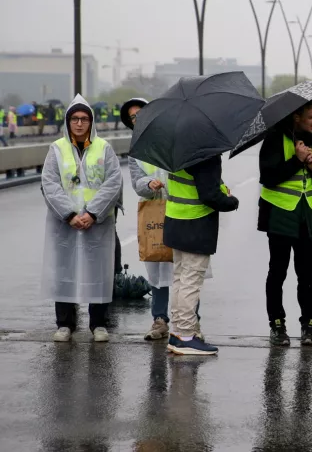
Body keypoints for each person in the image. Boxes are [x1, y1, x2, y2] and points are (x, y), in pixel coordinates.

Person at [41, 95, 123, 342]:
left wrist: (92, 213)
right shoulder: (56, 149)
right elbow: (49, 183)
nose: (79, 123)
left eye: (84, 119)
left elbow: (113, 182)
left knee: (98, 271)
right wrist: (69, 214)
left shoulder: (103, 148)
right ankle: (65, 324)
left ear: (91, 121)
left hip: (96, 223)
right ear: (68, 121)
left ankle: (98, 323)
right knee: (64, 270)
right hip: (65, 223)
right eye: (74, 119)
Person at [259, 101, 312, 347]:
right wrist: (296, 160)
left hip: (307, 218)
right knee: (277, 272)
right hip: (279, 217)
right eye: (311, 116)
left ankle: (308, 325)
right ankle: (277, 325)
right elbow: (268, 178)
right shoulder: (274, 141)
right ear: (296, 117)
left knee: (306, 275)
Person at [163, 152, 239, 355]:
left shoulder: (178, 149)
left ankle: (178, 332)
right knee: (191, 281)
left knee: (180, 279)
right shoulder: (206, 154)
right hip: (195, 224)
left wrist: (219, 188)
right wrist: (231, 201)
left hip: (175, 219)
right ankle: (186, 336)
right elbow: (209, 195)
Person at [121, 97, 176, 341]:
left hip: (181, 209)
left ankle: (191, 321)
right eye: (133, 117)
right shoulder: (136, 151)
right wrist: (148, 183)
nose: (138, 119)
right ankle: (160, 319)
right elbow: (137, 182)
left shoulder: (173, 138)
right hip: (155, 211)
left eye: (141, 114)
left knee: (186, 269)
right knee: (158, 265)